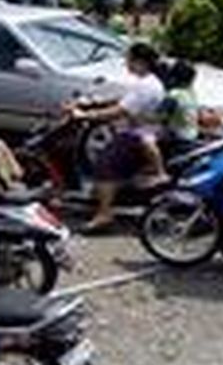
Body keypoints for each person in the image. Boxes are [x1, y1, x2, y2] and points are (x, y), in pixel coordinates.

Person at [67, 42, 172, 232]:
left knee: (103, 166)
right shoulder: (148, 82)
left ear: (140, 62)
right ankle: (101, 198)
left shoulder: (146, 85)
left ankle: (104, 214)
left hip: (135, 135)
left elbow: (119, 111)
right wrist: (94, 102)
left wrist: (85, 116)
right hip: (141, 132)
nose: (126, 63)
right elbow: (123, 101)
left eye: (129, 60)